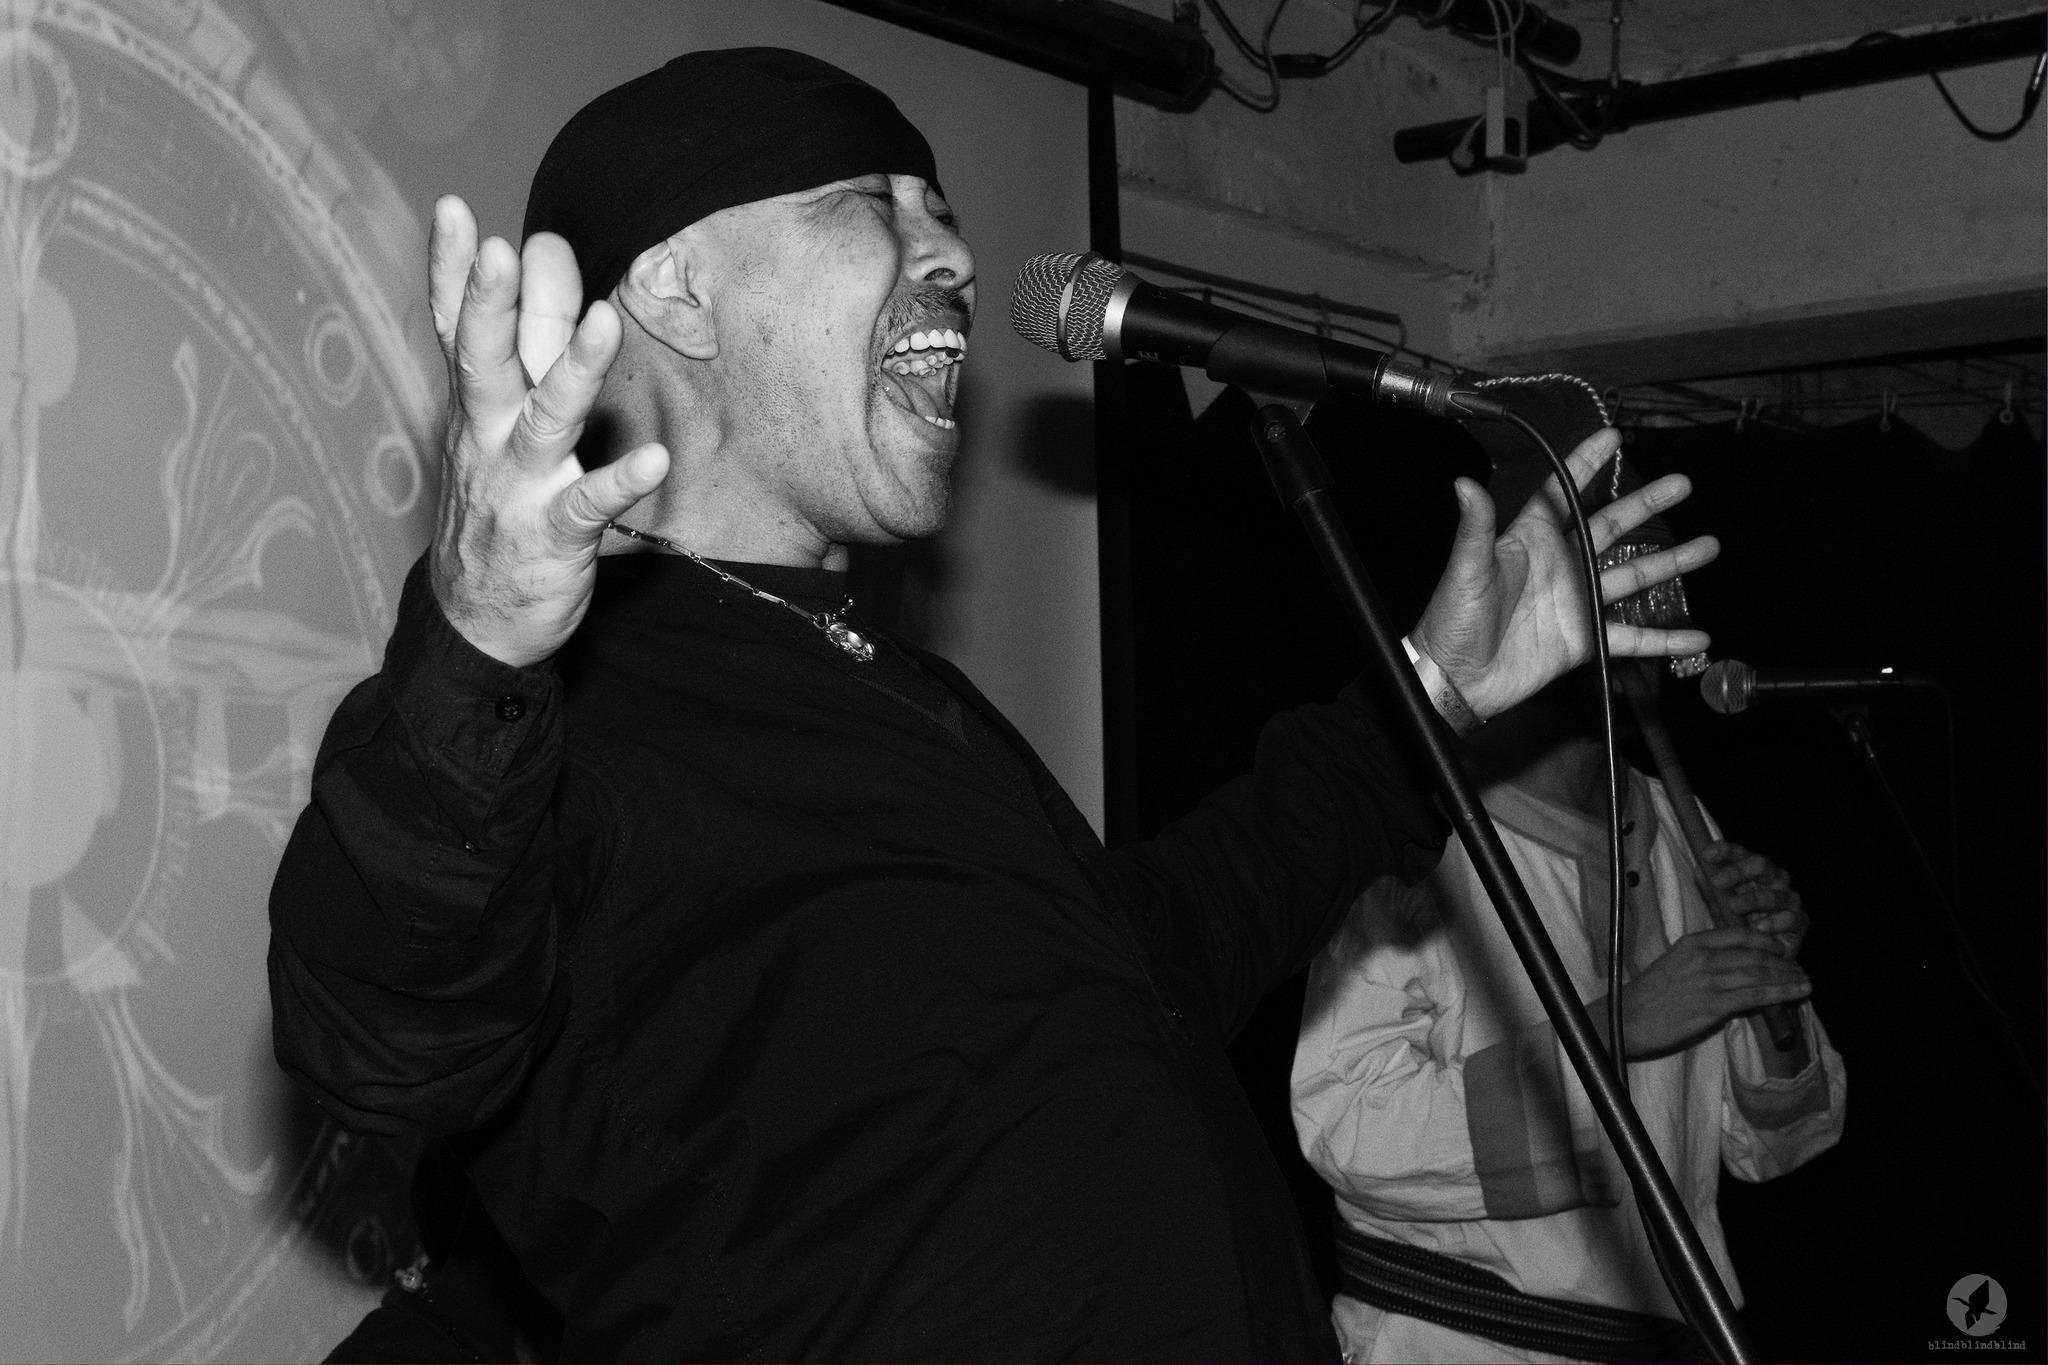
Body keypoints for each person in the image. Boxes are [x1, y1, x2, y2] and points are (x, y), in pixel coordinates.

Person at [268, 48, 1720, 1362]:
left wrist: (1436, 692)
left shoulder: (890, 684)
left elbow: (1154, 952)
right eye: (870, 202)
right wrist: (478, 641)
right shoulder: (556, 718)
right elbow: (381, 1039)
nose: (955, 254)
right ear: (677, 289)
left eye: (943, 207)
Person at [1291, 660, 1847, 1365]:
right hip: (1462, 1346)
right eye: (1612, 608)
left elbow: (1776, 1144)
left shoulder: (1683, 823)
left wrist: (1770, 989)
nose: (1646, 625)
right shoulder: (1418, 836)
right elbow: (1346, 1127)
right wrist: (1613, 1031)